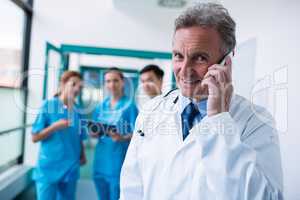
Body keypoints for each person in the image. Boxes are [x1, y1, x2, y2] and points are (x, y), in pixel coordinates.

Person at [120, 3, 283, 200]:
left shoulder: (255, 121)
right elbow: (131, 189)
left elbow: (266, 197)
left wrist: (219, 119)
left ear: (227, 61)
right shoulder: (151, 111)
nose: (185, 70)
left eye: (199, 58)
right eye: (178, 56)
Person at [32, 71, 87, 200]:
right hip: (49, 167)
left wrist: (83, 154)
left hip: (71, 166)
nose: (76, 89)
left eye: (80, 86)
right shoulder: (48, 105)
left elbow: (79, 136)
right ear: (62, 84)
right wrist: (54, 127)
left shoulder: (79, 110)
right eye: (73, 84)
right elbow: (35, 137)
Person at [91, 67, 138, 200]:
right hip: (100, 159)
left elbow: (138, 134)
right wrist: (94, 133)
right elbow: (94, 128)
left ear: (122, 82)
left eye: (115, 81)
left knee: (115, 195)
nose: (112, 84)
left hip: (117, 160)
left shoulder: (129, 106)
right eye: (108, 81)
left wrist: (122, 137)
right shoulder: (100, 106)